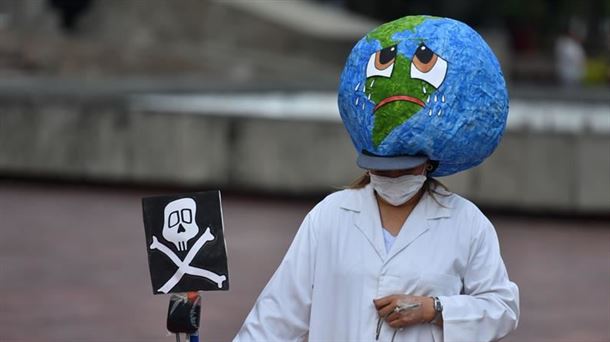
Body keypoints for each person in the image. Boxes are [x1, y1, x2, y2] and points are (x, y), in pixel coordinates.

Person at [234, 15, 519, 342]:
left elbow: (503, 308)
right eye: (381, 167)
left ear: (428, 164)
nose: (391, 176)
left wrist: (436, 309)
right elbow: (277, 317)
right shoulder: (330, 217)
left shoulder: (466, 223)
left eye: (403, 167)